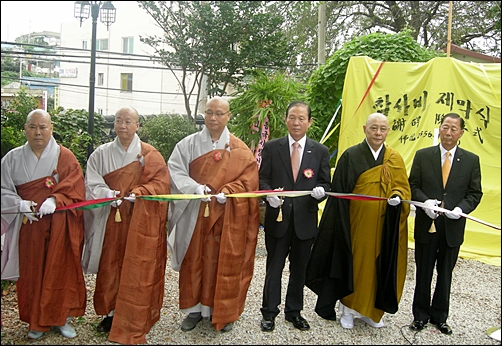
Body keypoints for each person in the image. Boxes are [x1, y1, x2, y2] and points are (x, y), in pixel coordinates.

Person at [306, 112, 411, 330]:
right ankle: (348, 310)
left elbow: (403, 188)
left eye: (383, 128)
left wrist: (398, 198)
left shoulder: (395, 159)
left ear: (388, 131)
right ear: (365, 129)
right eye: (374, 128)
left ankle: (372, 311)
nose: (378, 133)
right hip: (355, 224)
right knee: (354, 265)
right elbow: (340, 195)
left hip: (384, 225)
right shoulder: (351, 156)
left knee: (377, 266)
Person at [167, 96, 259, 333]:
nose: (213, 118)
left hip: (227, 217)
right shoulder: (187, 144)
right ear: (203, 114)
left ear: (229, 116)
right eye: (209, 112)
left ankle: (222, 312)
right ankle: (194, 310)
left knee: (223, 262)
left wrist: (230, 191)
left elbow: (249, 179)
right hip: (196, 213)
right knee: (194, 260)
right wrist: (194, 187)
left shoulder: (239, 149)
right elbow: (175, 170)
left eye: (219, 113)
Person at [82, 106, 170, 345]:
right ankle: (110, 314)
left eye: (128, 121)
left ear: (137, 126)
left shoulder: (150, 155)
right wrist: (106, 193)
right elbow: (91, 181)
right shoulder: (101, 153)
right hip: (111, 219)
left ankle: (138, 314)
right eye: (118, 121)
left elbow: (162, 184)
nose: (122, 125)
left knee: (139, 265)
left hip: (140, 222)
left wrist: (141, 191)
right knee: (111, 264)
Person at [1, 109, 86, 340]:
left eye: (43, 127)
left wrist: (55, 199)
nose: (38, 132)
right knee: (32, 272)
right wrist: (17, 203)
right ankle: (35, 322)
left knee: (61, 270)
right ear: (25, 129)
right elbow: (2, 189)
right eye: (32, 127)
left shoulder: (65, 156)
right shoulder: (12, 158)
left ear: (51, 128)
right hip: (28, 226)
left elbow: (76, 188)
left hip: (60, 225)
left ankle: (62, 319)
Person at [258, 101, 331, 332]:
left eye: (301, 118)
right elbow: (262, 179)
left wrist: (320, 194)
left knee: (299, 270)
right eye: (292, 117)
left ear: (309, 122)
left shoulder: (320, 151)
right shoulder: (272, 147)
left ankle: (294, 312)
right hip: (278, 218)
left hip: (305, 221)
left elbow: (324, 183)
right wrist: (268, 195)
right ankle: (269, 312)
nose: (296, 122)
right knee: (274, 268)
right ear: (286, 119)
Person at [408, 112, 482, 335]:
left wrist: (461, 209)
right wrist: (424, 202)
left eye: (453, 129)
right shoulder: (423, 155)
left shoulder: (471, 160)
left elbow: (474, 193)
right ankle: (419, 316)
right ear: (439, 129)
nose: (448, 133)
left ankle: (440, 317)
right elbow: (412, 186)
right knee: (423, 272)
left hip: (452, 228)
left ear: (461, 133)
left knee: (445, 273)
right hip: (427, 225)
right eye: (445, 127)